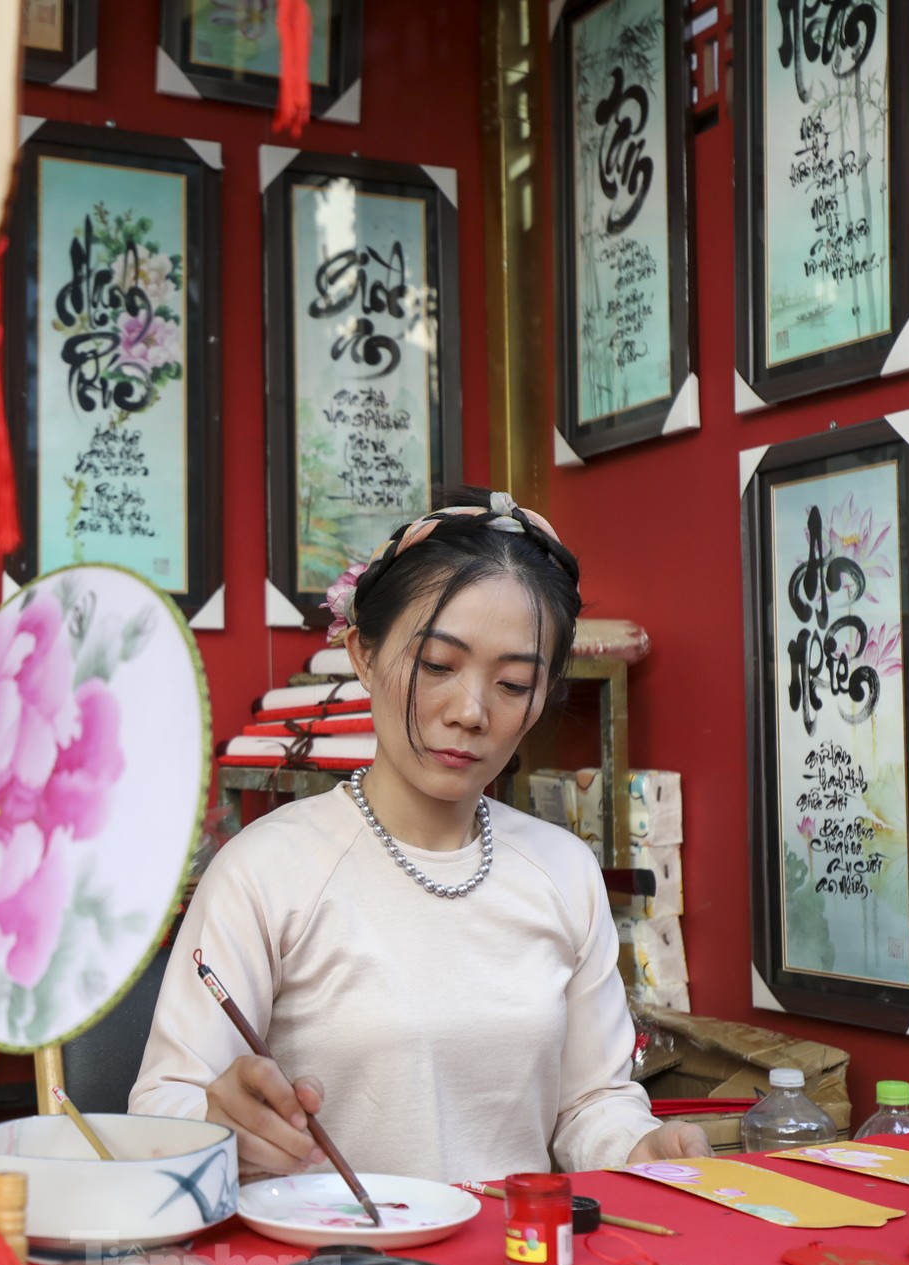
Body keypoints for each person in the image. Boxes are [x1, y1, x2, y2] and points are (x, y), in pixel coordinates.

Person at [129, 489, 712, 1183]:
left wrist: (638, 1148)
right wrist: (215, 1127)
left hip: (522, 1260)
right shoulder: (265, 871)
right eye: (438, 665)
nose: (470, 711)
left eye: (514, 682)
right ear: (364, 656)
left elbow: (591, 1102)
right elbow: (160, 1110)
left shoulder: (563, 870)